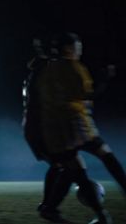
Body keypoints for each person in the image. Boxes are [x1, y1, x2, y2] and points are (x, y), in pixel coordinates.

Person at [23, 33, 126, 224]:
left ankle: (54, 208)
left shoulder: (41, 69)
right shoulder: (65, 67)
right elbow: (87, 94)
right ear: (67, 49)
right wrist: (105, 79)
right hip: (65, 126)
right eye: (77, 47)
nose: (80, 50)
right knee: (89, 161)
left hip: (48, 129)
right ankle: (54, 208)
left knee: (68, 167)